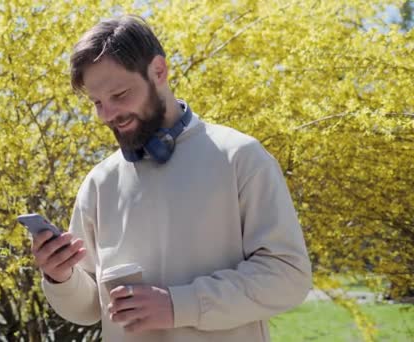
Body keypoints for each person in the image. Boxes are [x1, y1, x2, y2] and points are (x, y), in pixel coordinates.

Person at [31, 14, 312, 342]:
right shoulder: (98, 183)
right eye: (97, 103)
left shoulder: (240, 157)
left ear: (159, 71)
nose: (108, 115)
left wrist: (181, 306)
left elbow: (288, 276)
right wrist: (60, 277)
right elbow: (91, 307)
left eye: (120, 95)